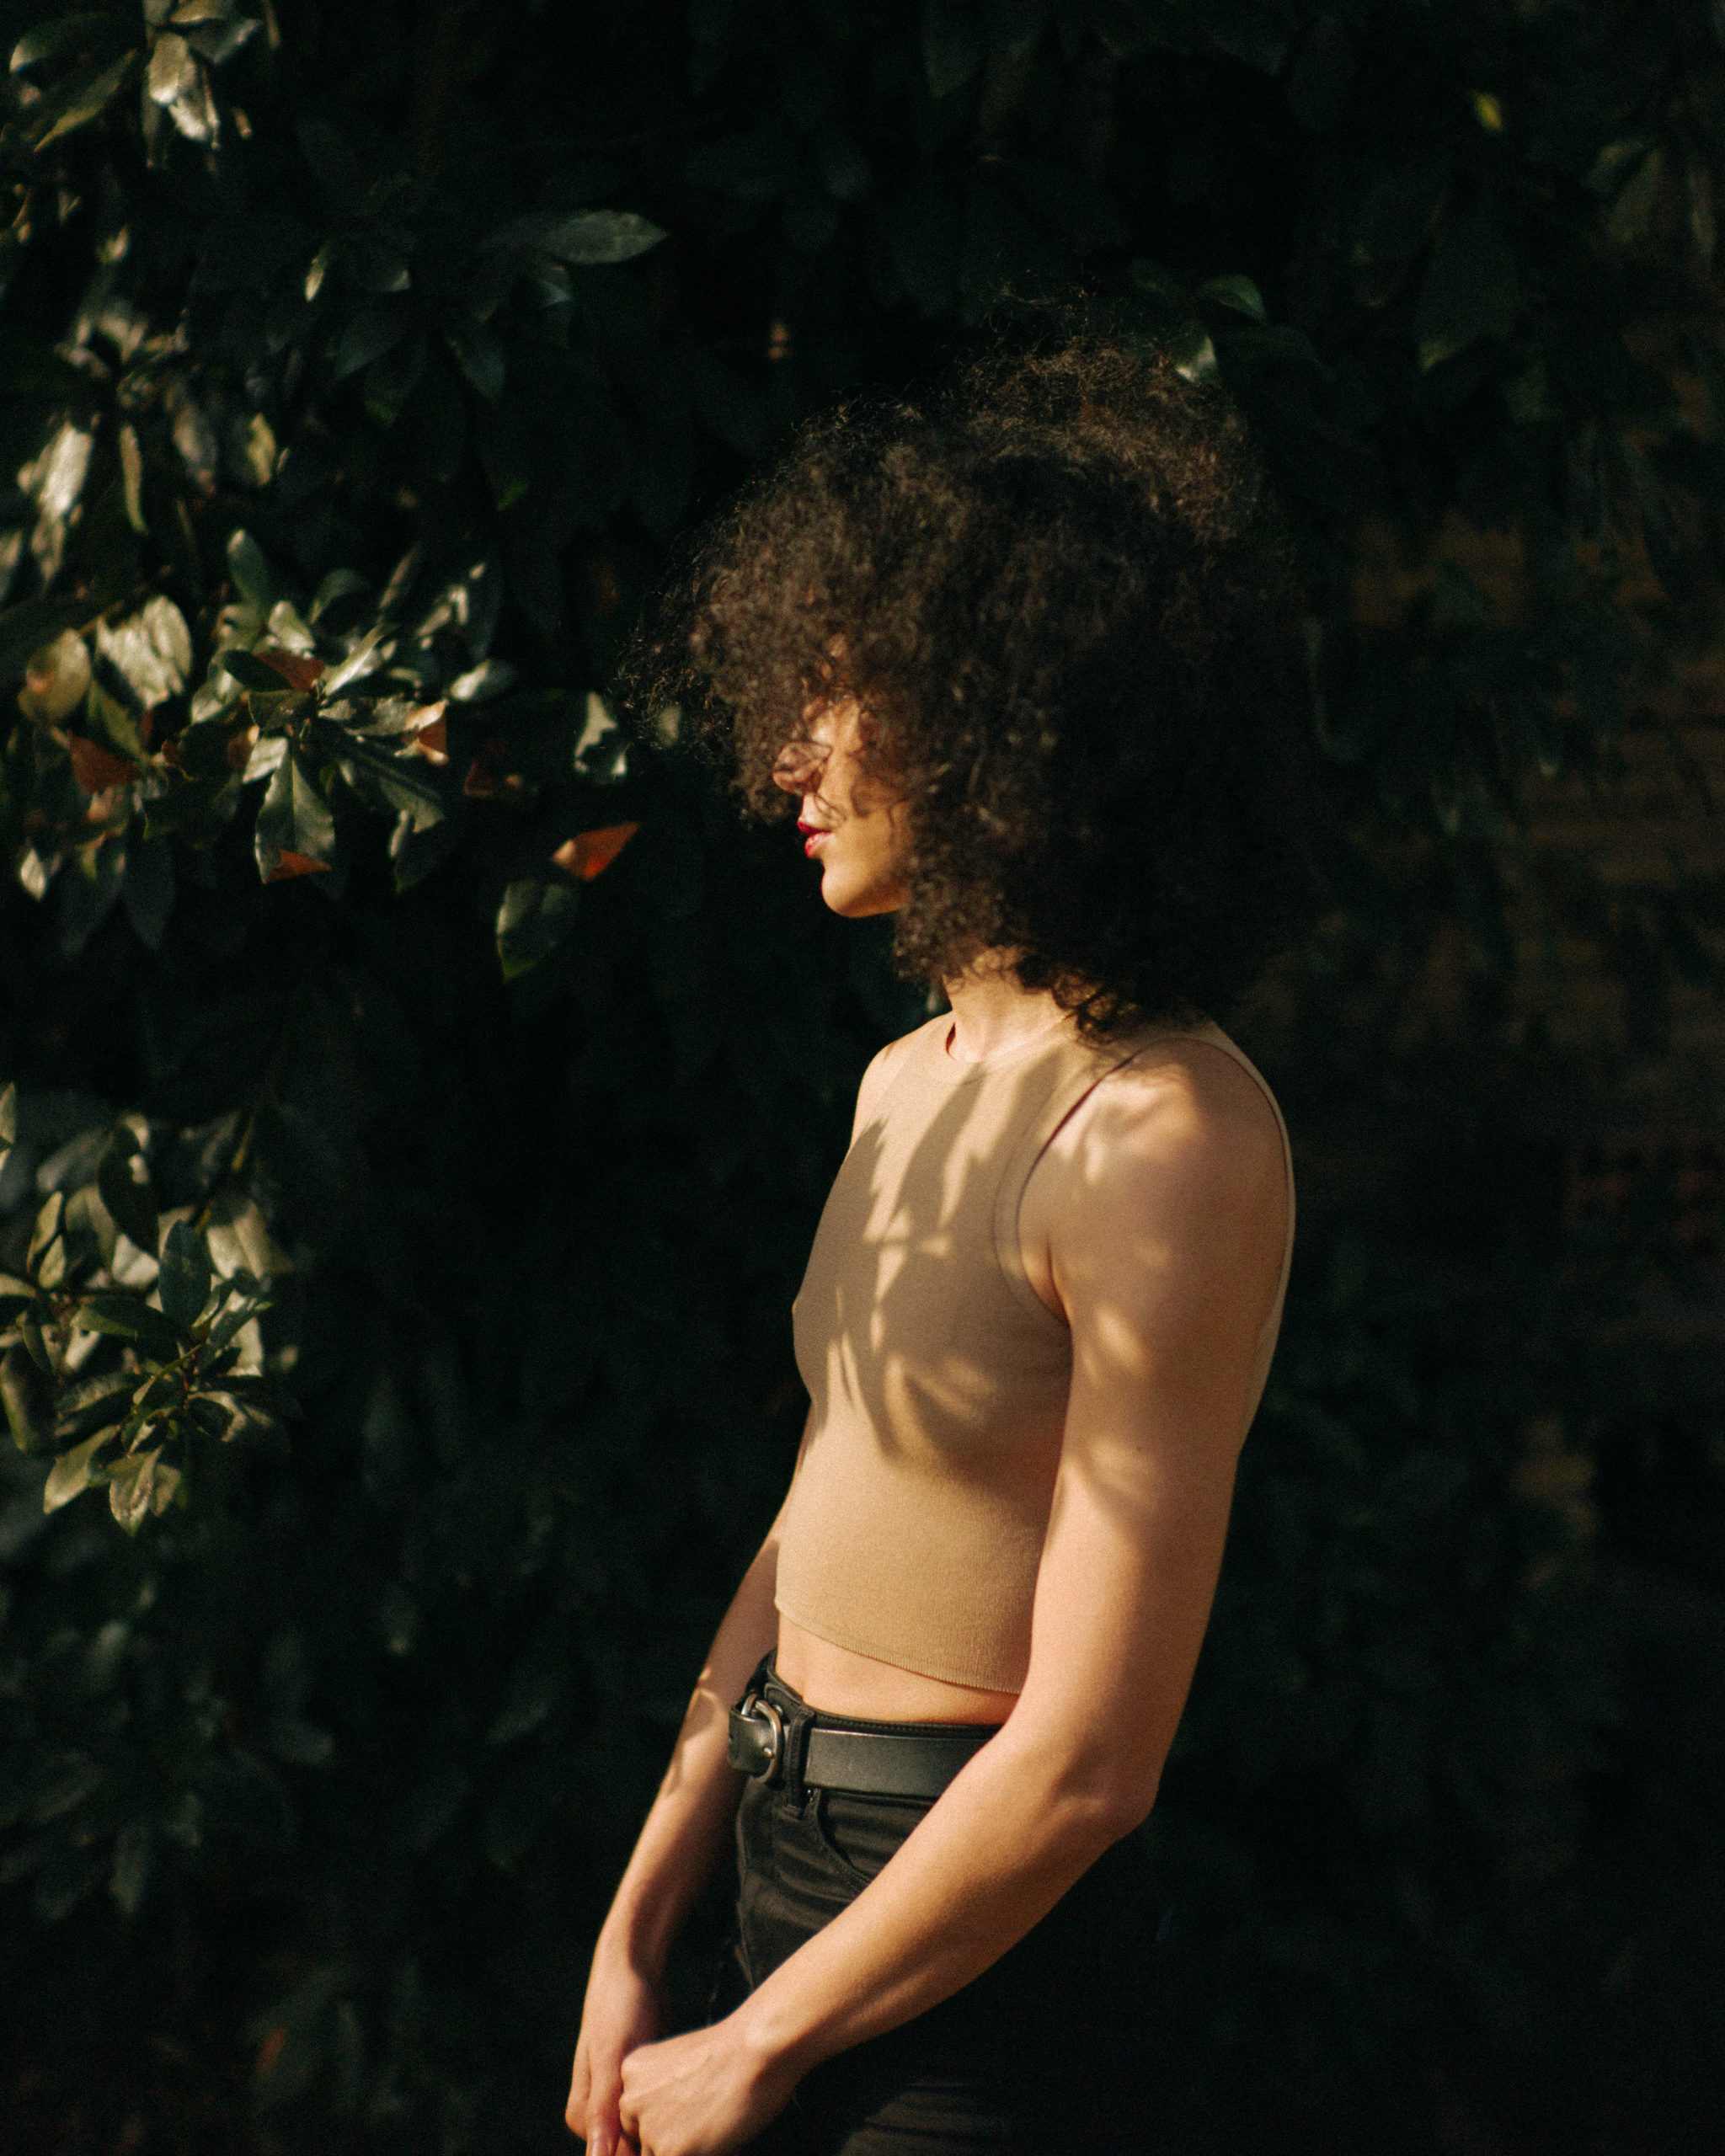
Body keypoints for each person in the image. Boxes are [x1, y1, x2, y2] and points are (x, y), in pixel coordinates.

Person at [567, 331, 1314, 2156]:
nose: (789, 754)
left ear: (1006, 716)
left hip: (975, 1946)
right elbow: (814, 1521)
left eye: (847, 696)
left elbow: (1090, 1761)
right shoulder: (906, 1080)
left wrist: (758, 2044)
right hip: (779, 1861)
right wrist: (641, 1917)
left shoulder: (1161, 1135)